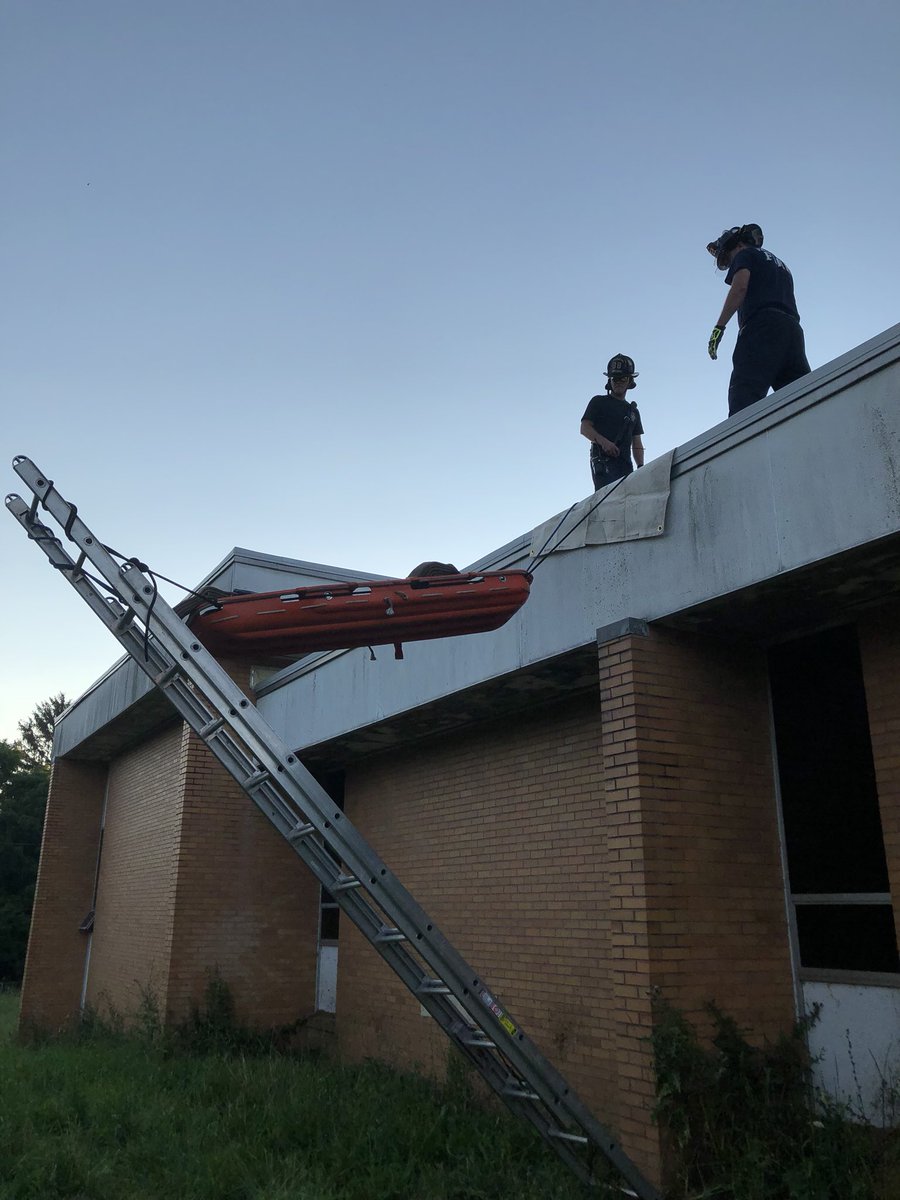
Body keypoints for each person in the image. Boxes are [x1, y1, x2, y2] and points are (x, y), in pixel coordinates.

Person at [706, 224, 810, 416]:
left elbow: (739, 288)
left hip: (762, 327)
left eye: (728, 257)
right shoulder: (781, 265)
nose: (729, 261)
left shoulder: (746, 255)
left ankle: (741, 444)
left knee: (744, 398)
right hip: (792, 330)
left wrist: (718, 328)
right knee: (802, 397)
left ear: (736, 245)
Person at [580, 354, 645, 492]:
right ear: (610, 380)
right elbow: (585, 428)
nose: (618, 382)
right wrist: (604, 443)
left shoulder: (633, 411)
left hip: (626, 466)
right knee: (607, 499)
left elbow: (637, 442)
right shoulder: (598, 402)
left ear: (629, 381)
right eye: (615, 378)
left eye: (623, 378)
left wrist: (641, 467)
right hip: (604, 465)